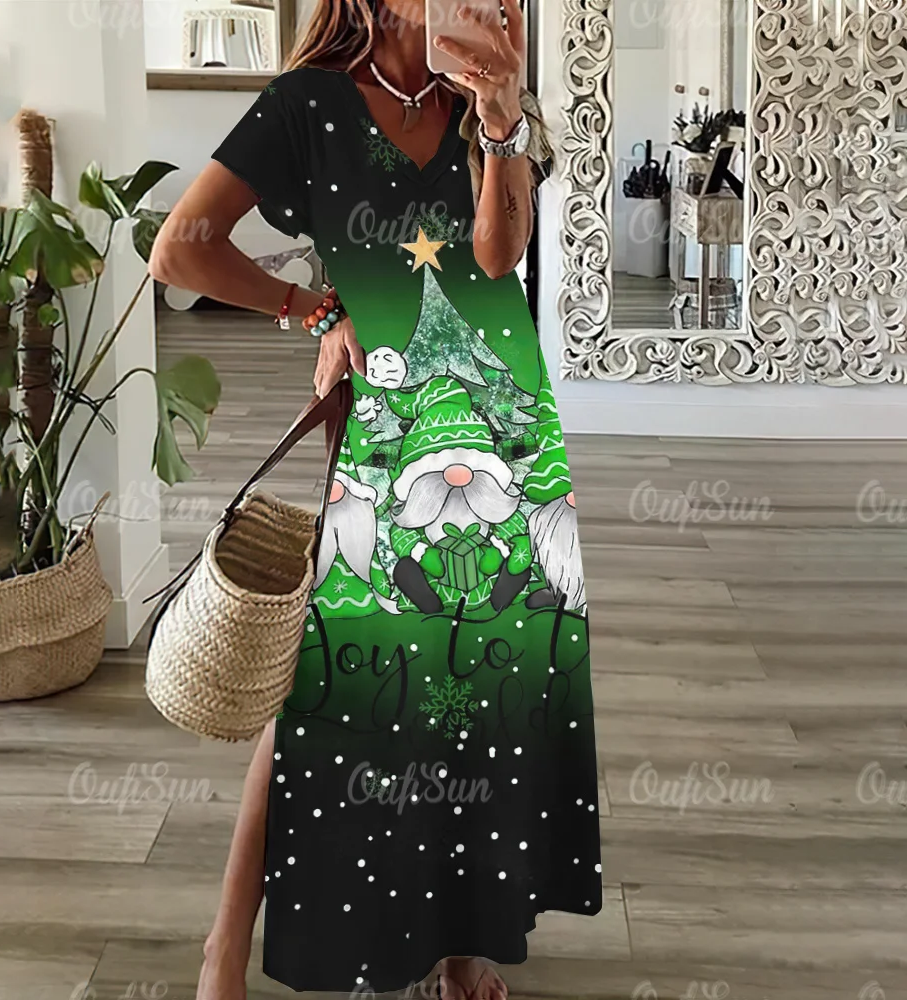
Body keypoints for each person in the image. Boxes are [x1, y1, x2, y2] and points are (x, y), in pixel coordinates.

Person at [149, 1, 602, 997]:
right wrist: (312, 309)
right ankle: (225, 944)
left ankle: (462, 942)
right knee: (324, 681)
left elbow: (498, 258)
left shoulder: (485, 94)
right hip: (387, 422)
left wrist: (500, 117)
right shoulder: (306, 103)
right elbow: (180, 247)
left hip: (503, 417)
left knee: (480, 677)